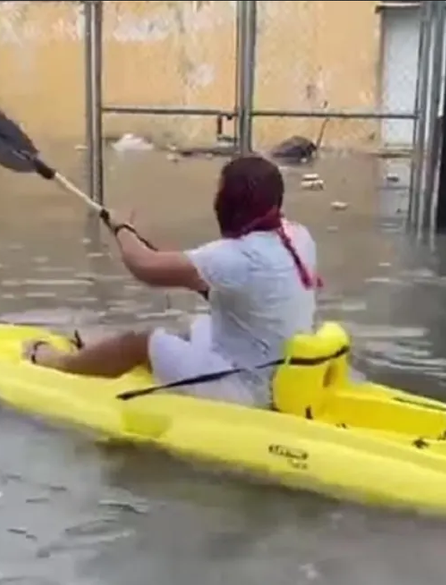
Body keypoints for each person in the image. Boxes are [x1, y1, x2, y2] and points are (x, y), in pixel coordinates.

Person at [22, 154, 320, 408]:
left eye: (220, 194)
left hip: (242, 390)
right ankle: (97, 354)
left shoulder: (237, 256)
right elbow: (246, 288)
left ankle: (59, 363)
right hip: (277, 372)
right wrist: (170, 262)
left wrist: (122, 227)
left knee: (139, 341)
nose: (215, 200)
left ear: (233, 203)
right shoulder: (298, 235)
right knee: (198, 323)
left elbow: (143, 267)